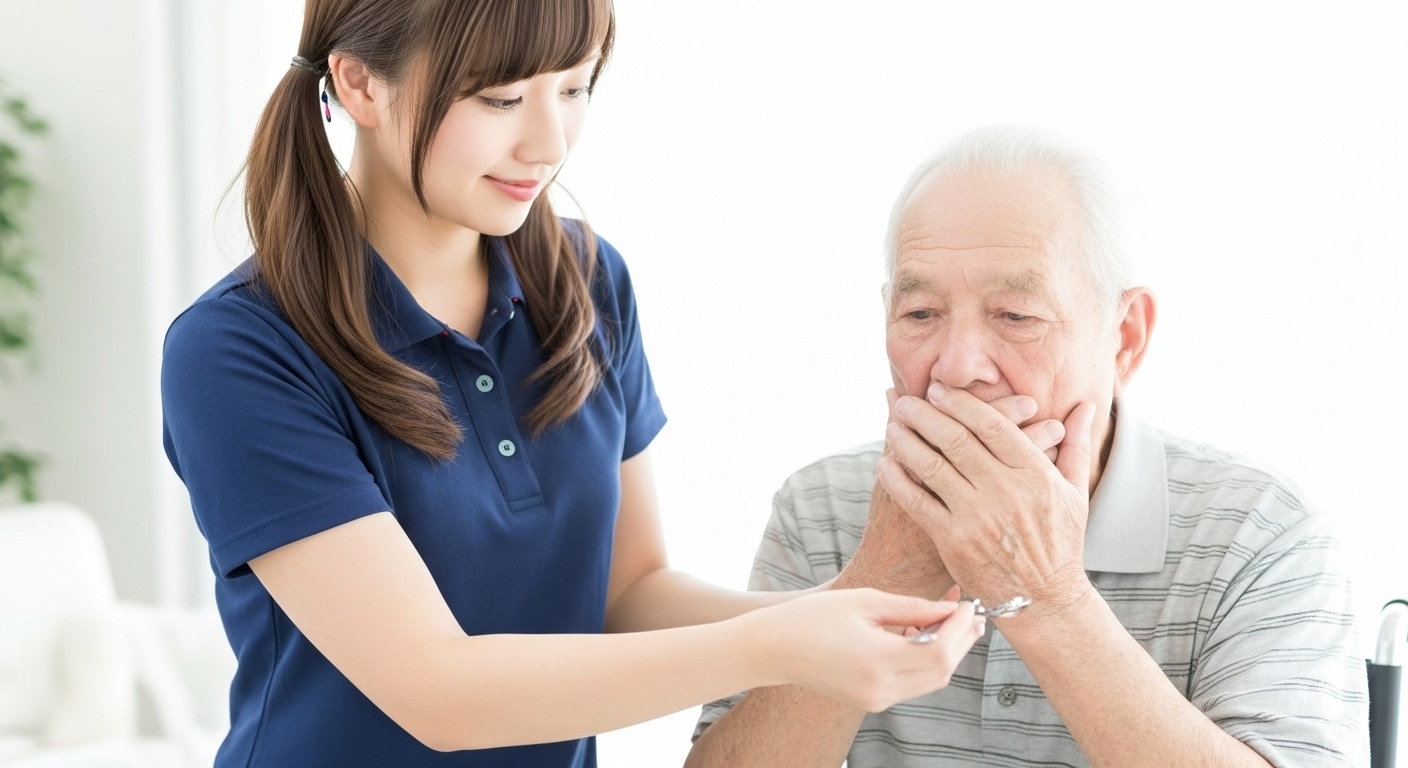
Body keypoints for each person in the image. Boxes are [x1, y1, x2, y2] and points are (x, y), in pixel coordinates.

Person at [158, 2, 990, 767]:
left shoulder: (587, 279)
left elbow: (627, 593)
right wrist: (787, 646)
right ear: (360, 82)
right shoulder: (238, 352)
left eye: (575, 86)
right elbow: (439, 694)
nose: (549, 143)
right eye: (500, 99)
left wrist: (839, 616)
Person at [687, 127, 1370, 768]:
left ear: (1124, 338)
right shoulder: (821, 509)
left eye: (1016, 316)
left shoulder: (1262, 532)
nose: (956, 366)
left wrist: (1046, 595)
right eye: (920, 314)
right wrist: (883, 577)